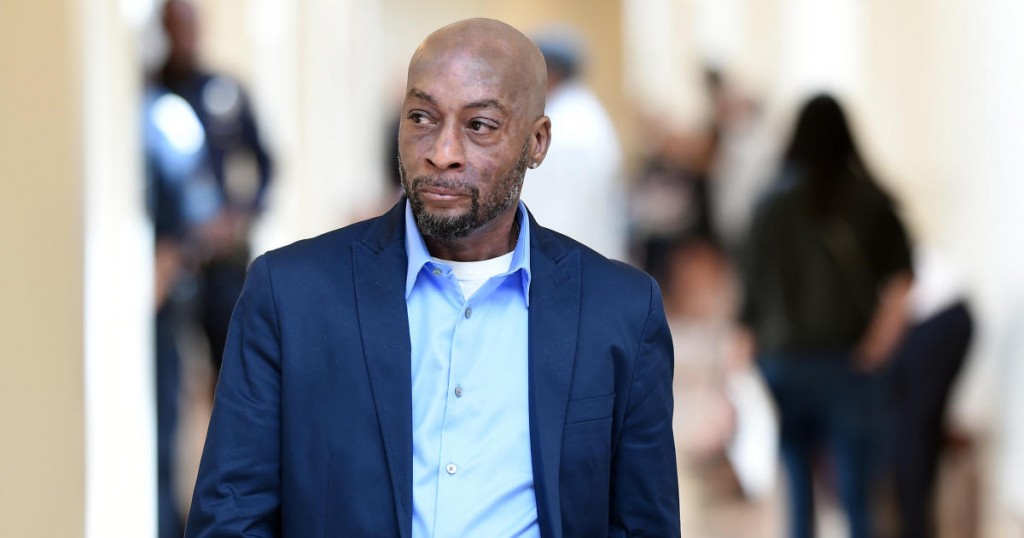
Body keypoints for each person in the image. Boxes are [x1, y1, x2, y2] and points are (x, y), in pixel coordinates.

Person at [185, 18, 679, 537]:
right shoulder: (289, 296)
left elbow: (645, 525)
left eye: (479, 126)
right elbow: (230, 518)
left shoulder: (621, 311)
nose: (442, 152)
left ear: (537, 142)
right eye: (422, 117)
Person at [739, 94, 914, 538]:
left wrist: (741, 364)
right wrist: (876, 349)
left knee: (798, 486)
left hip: (783, 364)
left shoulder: (768, 205)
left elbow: (749, 297)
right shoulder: (871, 201)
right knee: (856, 491)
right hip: (847, 364)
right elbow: (901, 284)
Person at [159, 0, 273, 376]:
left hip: (222, 259)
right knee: (169, 369)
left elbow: (267, 162)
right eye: (175, 27)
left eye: (190, 27)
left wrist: (239, 216)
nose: (184, 38)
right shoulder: (152, 94)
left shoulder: (223, 92)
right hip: (173, 257)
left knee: (230, 365)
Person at [518, 27, 627, 261]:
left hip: (569, 265)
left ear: (550, 72)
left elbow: (560, 218)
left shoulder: (570, 130)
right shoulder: (578, 114)